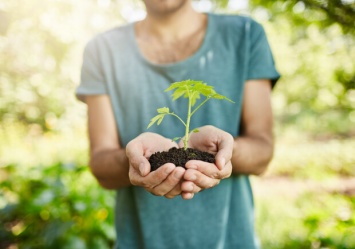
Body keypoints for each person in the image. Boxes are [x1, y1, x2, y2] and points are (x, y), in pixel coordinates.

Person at [76, 0, 280, 248]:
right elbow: (101, 164)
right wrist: (138, 161)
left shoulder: (245, 35)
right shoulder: (103, 50)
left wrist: (223, 153)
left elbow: (262, 151)